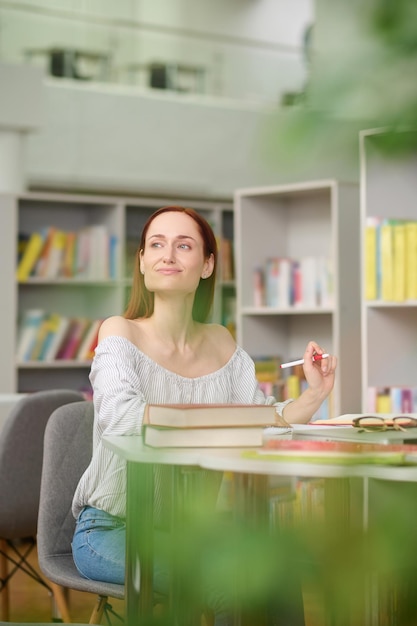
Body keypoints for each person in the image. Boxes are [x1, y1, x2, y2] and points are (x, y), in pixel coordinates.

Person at [71, 205, 337, 625]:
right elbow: (122, 419)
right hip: (112, 531)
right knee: (229, 582)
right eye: (156, 245)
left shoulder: (222, 342)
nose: (167, 255)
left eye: (184, 245)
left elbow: (261, 419)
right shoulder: (119, 331)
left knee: (278, 568)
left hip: (190, 532)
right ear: (141, 262)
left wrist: (314, 392)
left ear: (208, 264)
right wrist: (219, 423)